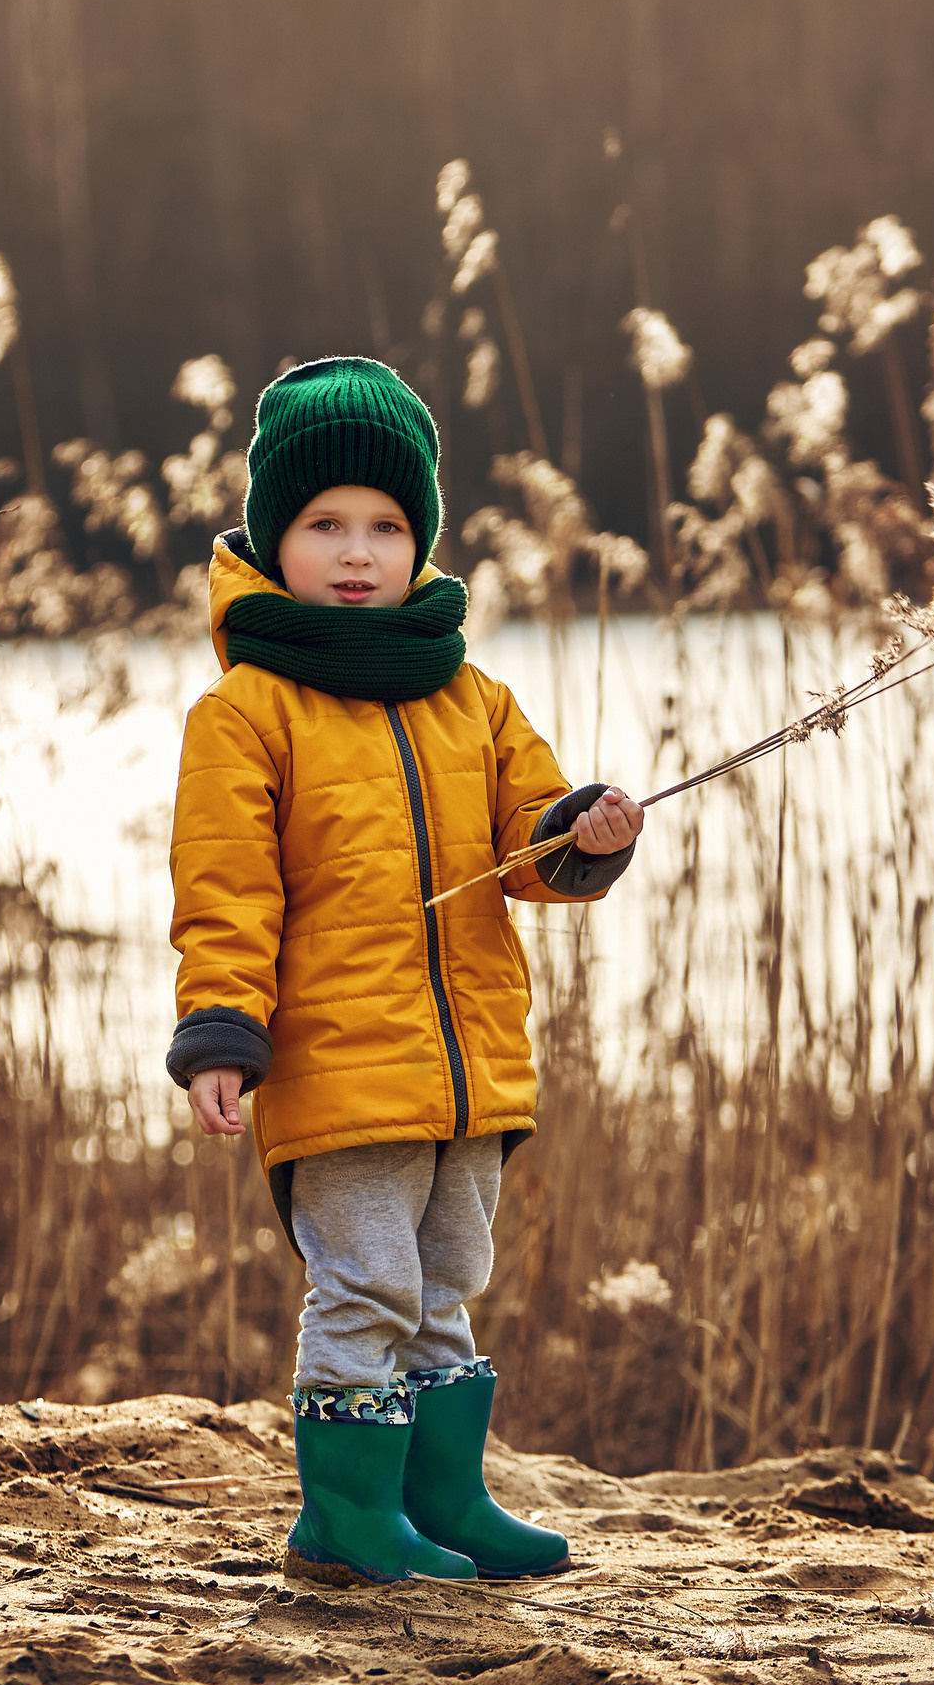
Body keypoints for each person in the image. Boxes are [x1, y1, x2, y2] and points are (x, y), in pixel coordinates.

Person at [165, 357, 642, 1586]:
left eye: (385, 525)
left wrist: (579, 829)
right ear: (276, 541)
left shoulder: (470, 698)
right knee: (366, 1283)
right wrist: (221, 1030)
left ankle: (443, 1498)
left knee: (444, 1287)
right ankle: (346, 1515)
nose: (359, 550)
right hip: (336, 1065)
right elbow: (225, 886)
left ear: (420, 541)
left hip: (468, 1063)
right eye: (325, 524)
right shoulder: (248, 710)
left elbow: (525, 844)